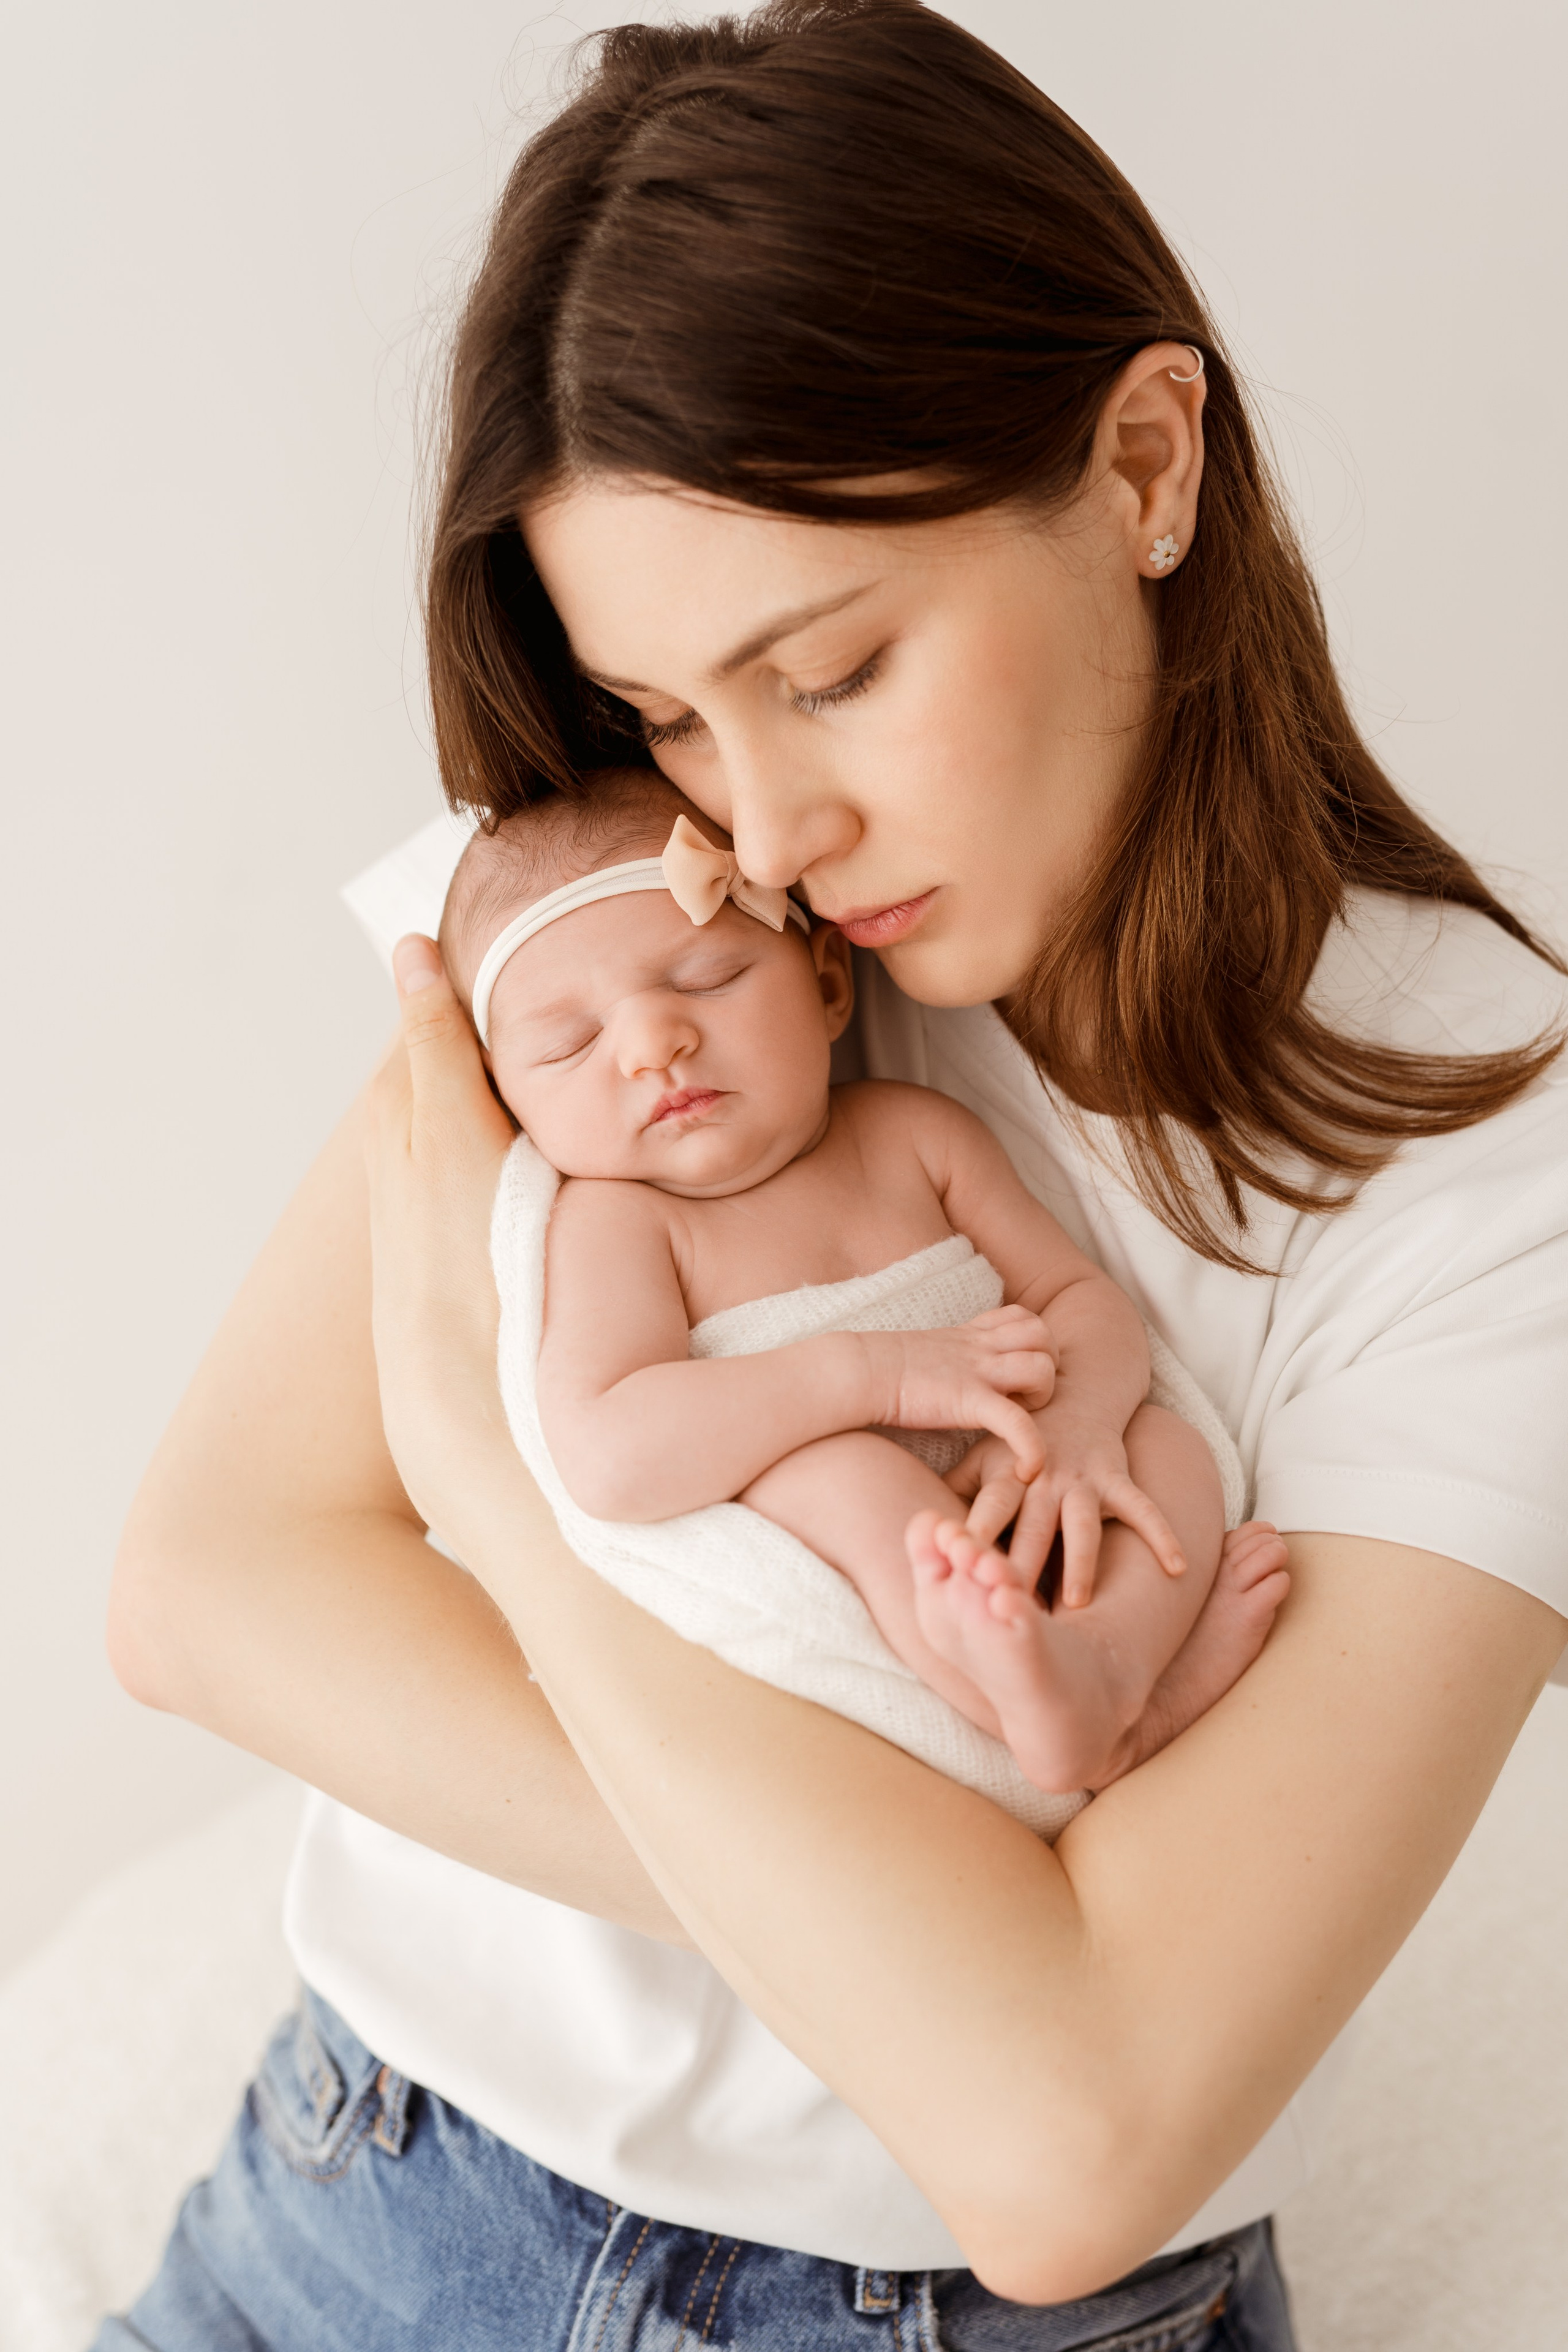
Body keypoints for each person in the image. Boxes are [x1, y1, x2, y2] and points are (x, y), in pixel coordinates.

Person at [101, 4, 1568, 2348]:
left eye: (837, 666)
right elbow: (204, 1589)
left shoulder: (1492, 1154)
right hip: (366, 2193)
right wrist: (968, 1921)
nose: (762, 836)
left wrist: (492, 1476)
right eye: (672, 709)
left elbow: (1074, 2146)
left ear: (1148, 463)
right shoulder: (625, 926)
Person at [443, 774, 1289, 1794]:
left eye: (707, 977)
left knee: (1164, 1444)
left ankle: (1117, 1666)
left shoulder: (912, 1135)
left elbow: (1080, 1301)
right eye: (568, 1045)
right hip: (883, 1543)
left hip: (1023, 1468)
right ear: (515, 1106)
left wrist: (1084, 1427)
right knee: (844, 1478)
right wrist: (874, 1377)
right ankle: (1049, 1702)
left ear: (829, 983)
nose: (650, 1043)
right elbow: (610, 1452)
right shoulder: (621, 1224)